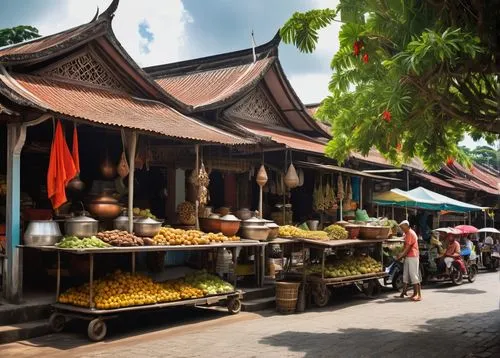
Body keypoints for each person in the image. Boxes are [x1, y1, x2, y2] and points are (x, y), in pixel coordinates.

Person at [396, 220, 422, 301]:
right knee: (406, 275)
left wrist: (401, 255)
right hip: (408, 256)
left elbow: (408, 247)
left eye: (402, 227)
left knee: (414, 275)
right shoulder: (406, 234)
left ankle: (419, 295)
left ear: (406, 225)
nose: (401, 229)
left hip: (413, 256)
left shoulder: (410, 233)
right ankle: (408, 293)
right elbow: (405, 245)